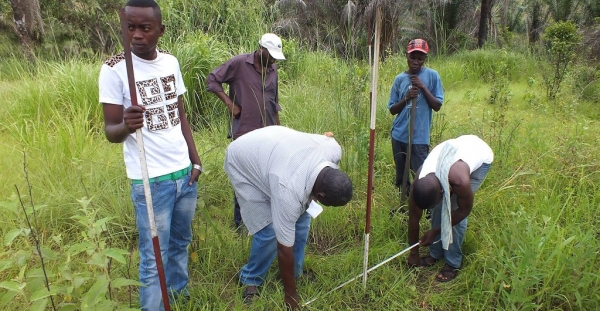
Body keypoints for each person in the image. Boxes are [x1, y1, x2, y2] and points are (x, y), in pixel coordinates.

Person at [99, 0, 202, 309]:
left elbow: (179, 113)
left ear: (160, 30)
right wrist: (127, 126)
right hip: (150, 181)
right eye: (130, 28)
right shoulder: (114, 68)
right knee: (152, 255)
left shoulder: (170, 61)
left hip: (184, 174)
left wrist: (195, 161)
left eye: (145, 28)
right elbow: (110, 131)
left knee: (180, 243)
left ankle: (178, 295)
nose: (137, 35)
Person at [223, 126, 353, 309]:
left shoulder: (333, 151)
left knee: (302, 222)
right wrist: (290, 295)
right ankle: (251, 279)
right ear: (321, 195)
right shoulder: (288, 189)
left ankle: (295, 272)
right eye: (328, 204)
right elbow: (284, 249)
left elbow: (326, 138)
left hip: (276, 150)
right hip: (246, 160)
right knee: (267, 228)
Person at [207, 33, 286, 229]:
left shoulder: (273, 70)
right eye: (271, 55)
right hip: (244, 132)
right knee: (244, 179)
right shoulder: (240, 63)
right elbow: (212, 80)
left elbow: (274, 103)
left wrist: (279, 132)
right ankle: (240, 224)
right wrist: (230, 104)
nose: (274, 59)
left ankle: (263, 222)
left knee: (266, 178)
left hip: (268, 134)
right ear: (261, 49)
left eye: (277, 56)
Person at [406, 135, 493, 282]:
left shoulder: (460, 181)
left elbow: (464, 210)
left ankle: (452, 262)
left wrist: (435, 231)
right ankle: (436, 253)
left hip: (479, 154)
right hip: (456, 149)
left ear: (442, 192)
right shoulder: (418, 184)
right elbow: (413, 219)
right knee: (438, 208)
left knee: (453, 208)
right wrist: (413, 253)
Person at [387, 39, 444, 206]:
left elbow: (437, 105)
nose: (416, 62)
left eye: (420, 58)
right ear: (407, 56)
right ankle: (403, 205)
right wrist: (406, 98)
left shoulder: (432, 76)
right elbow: (392, 109)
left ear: (425, 59)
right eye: (413, 57)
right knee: (401, 176)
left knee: (421, 175)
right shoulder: (399, 79)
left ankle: (422, 207)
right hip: (399, 135)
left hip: (419, 137)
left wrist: (423, 87)